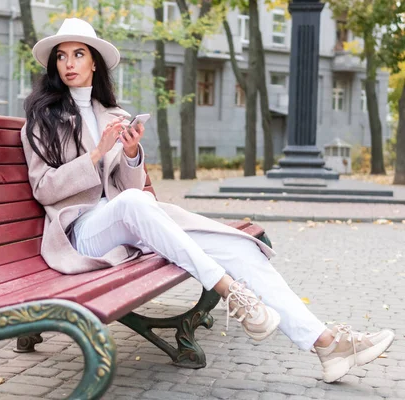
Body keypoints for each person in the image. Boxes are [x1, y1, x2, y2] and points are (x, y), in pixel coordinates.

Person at [20, 18, 394, 384]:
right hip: (81, 233)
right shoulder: (42, 118)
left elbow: (127, 186)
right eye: (61, 56)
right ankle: (231, 292)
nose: (69, 63)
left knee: (238, 249)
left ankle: (325, 344)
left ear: (94, 61)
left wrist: (131, 153)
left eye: (78, 54)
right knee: (134, 204)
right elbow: (44, 189)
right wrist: (96, 155)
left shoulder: (114, 115)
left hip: (131, 223)